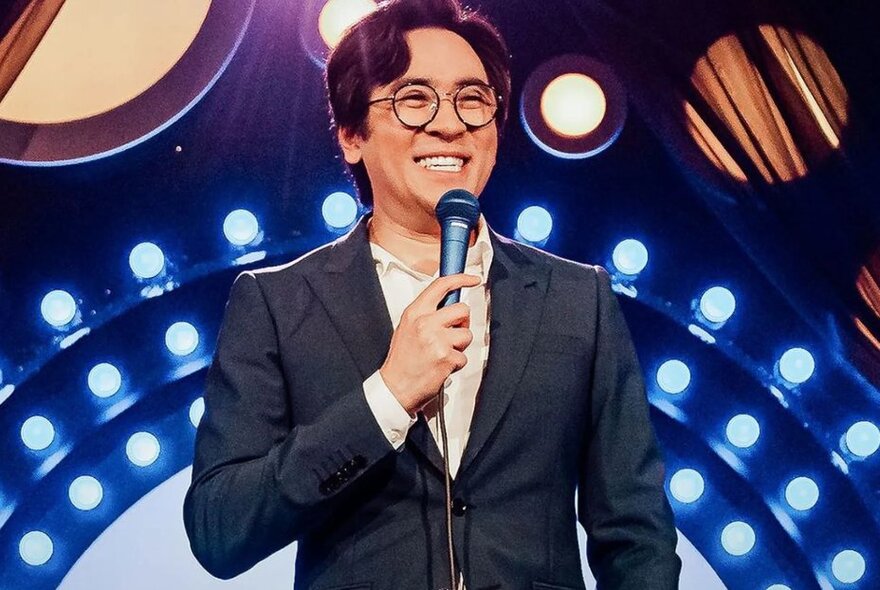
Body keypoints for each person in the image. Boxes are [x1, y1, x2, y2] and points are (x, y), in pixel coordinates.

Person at [183, 0, 681, 588]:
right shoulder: (278, 303)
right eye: (413, 99)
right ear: (350, 135)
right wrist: (387, 397)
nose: (449, 124)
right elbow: (220, 529)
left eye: (472, 99)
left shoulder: (579, 299)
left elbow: (636, 534)